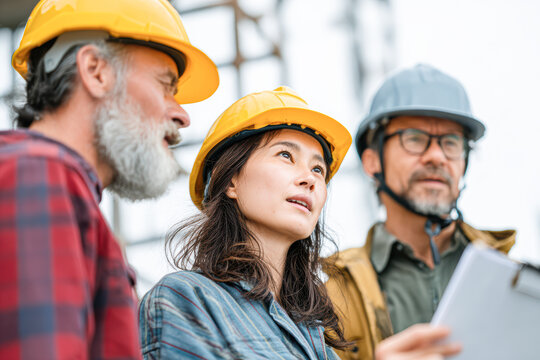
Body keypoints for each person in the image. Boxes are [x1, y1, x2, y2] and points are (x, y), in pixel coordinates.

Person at [138, 86, 462, 360]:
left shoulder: (315, 335)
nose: (309, 179)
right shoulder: (186, 301)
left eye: (318, 169)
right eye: (285, 155)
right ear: (231, 180)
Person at [0, 0, 218, 358]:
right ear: (96, 71)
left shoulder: (54, 187)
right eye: (166, 85)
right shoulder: (38, 174)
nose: (182, 116)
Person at [325, 64, 516, 360]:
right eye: (414, 139)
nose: (437, 156)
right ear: (372, 161)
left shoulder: (509, 276)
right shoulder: (331, 298)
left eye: (451, 142)